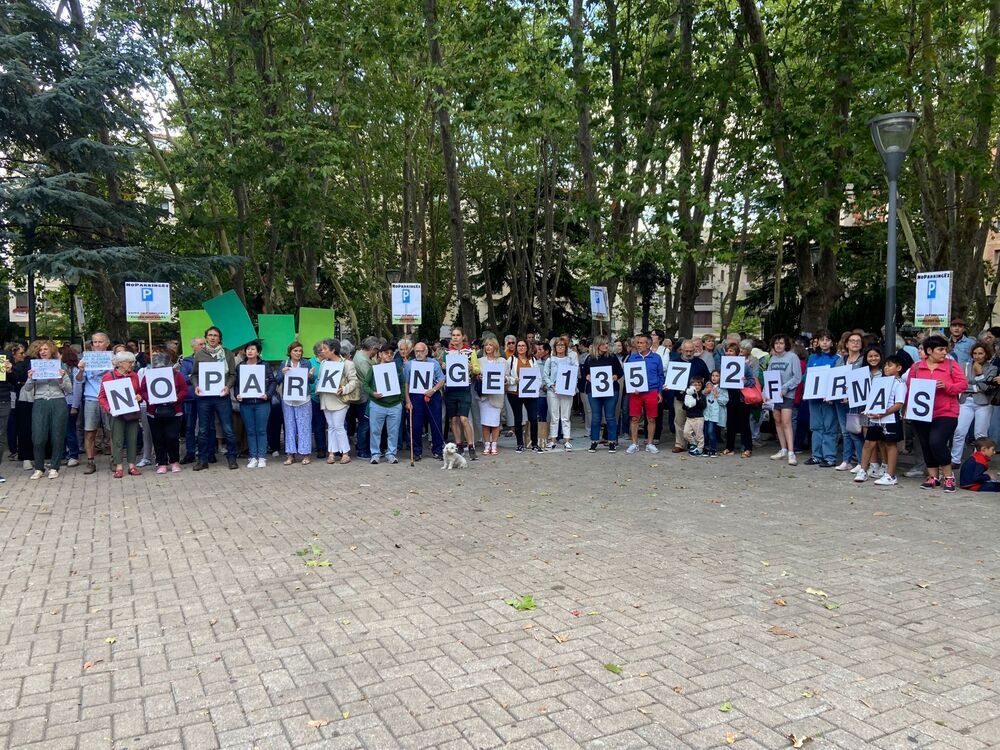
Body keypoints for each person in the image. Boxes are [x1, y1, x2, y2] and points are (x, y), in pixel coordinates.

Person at [908, 335, 967, 492]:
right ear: (929, 350)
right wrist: (908, 409)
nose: (944, 352)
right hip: (921, 413)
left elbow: (962, 384)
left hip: (946, 411)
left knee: (937, 442)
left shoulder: (951, 365)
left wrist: (947, 386)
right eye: (940, 349)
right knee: (926, 444)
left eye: (945, 349)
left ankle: (948, 476)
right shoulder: (916, 367)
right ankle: (933, 477)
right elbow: (910, 389)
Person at [190, 326, 239, 471]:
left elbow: (232, 374)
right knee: (204, 430)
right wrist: (196, 386)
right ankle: (203, 460)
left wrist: (228, 387)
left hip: (221, 397)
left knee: (228, 429)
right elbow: (194, 375)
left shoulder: (227, 353)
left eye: (215, 335)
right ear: (206, 338)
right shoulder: (199, 355)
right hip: (204, 398)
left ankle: (232, 459)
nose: (212, 338)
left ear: (219, 338)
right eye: (210, 335)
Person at [23, 340, 72, 479]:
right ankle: (39, 467)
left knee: (57, 435)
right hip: (40, 401)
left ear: (51, 351)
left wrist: (61, 378)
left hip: (58, 401)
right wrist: (30, 378)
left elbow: (69, 389)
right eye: (40, 350)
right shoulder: (35, 367)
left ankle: (54, 467)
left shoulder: (60, 367)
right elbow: (27, 389)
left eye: (46, 349)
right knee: (38, 437)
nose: (43, 351)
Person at [855, 354, 905, 486]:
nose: (886, 368)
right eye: (885, 365)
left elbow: (899, 404)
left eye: (890, 365)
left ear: (899, 368)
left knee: (890, 445)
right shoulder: (881, 381)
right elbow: (874, 398)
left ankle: (890, 475)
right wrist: (869, 410)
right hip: (876, 419)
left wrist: (883, 413)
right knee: (868, 443)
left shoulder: (899, 384)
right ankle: (863, 470)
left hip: (891, 420)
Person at [140, 351, 188, 473]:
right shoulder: (148, 376)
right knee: (158, 437)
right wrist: (149, 398)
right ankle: (161, 462)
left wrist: (176, 398)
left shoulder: (177, 375)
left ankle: (174, 461)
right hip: (153, 411)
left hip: (174, 410)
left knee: (172, 436)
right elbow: (143, 390)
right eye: (158, 367)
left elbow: (184, 390)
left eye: (163, 366)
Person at [98, 350, 143, 478]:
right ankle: (118, 466)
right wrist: (109, 409)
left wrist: (140, 397)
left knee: (132, 438)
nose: (132, 365)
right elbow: (102, 397)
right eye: (130, 362)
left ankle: (132, 465)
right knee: (117, 439)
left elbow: (140, 392)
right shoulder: (108, 376)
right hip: (116, 414)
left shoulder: (134, 375)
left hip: (131, 412)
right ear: (121, 363)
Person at [950, 342, 997, 466]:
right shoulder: (964, 366)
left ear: (986, 354)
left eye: (980, 353)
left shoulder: (992, 368)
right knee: (959, 430)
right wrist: (976, 386)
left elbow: (986, 388)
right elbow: (962, 385)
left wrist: (979, 373)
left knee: (980, 433)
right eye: (975, 353)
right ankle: (955, 459)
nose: (977, 356)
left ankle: (978, 460)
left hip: (984, 403)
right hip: (965, 401)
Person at [234, 339, 275, 468]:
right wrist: (237, 395)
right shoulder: (240, 366)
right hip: (246, 403)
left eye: (252, 349)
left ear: (258, 352)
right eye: (248, 349)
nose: (249, 351)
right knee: (250, 431)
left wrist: (267, 394)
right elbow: (236, 384)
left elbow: (273, 382)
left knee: (261, 430)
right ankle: (252, 456)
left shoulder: (265, 365)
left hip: (262, 403)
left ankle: (262, 457)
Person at [364, 343, 407, 464]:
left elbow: (403, 383)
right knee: (375, 431)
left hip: (394, 405)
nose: (389, 355)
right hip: (377, 404)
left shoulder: (397, 368)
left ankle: (391, 454)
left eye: (391, 353)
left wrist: (401, 399)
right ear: (380, 354)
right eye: (386, 353)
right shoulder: (374, 368)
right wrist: (373, 393)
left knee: (393, 432)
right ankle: (375, 454)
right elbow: (365, 384)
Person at [442, 326, 480, 459]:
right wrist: (443, 366)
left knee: (464, 419)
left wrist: (472, 368)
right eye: (453, 335)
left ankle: (470, 446)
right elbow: (443, 369)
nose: (455, 337)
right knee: (453, 419)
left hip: (464, 388)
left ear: (463, 337)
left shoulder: (470, 352)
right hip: (451, 389)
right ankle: (458, 444)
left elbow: (477, 369)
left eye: (458, 335)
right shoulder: (447, 352)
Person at [318, 339, 358, 465]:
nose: (322, 351)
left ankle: (345, 453)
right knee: (331, 427)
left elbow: (354, 381)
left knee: (339, 426)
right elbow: (321, 379)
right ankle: (331, 453)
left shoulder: (347, 364)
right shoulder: (323, 363)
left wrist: (344, 389)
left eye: (325, 348)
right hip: (326, 398)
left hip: (340, 400)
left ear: (333, 350)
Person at [805, 330, 841, 467]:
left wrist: (832, 394)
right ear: (818, 342)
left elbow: (838, 378)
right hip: (814, 397)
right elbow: (807, 376)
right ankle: (816, 455)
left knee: (829, 427)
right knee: (815, 426)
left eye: (827, 340)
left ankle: (830, 456)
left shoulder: (837, 359)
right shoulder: (813, 358)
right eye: (822, 340)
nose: (824, 342)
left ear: (832, 342)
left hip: (828, 398)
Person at [581, 335, 623, 453]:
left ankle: (612, 441)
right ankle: (594, 441)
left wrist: (615, 376)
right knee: (596, 417)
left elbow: (620, 372)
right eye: (603, 344)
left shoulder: (612, 357)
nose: (606, 346)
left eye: (607, 344)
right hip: (594, 391)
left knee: (610, 416)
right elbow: (584, 372)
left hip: (611, 390)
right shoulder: (590, 358)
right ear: (597, 344)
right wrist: (587, 377)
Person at [667, 339, 710, 453]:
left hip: (696, 398)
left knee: (695, 422)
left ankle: (694, 444)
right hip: (680, 397)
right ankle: (680, 444)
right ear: (681, 350)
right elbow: (670, 380)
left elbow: (708, 378)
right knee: (679, 420)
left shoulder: (700, 363)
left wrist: (706, 388)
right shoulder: (674, 362)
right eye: (686, 350)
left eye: (691, 350)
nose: (689, 353)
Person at [766, 334, 803, 466]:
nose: (778, 345)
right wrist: (766, 392)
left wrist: (785, 388)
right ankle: (783, 449)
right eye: (776, 343)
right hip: (775, 396)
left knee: (787, 422)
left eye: (781, 343)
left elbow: (797, 377)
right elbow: (768, 377)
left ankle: (791, 452)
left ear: (786, 344)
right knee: (777, 421)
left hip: (787, 395)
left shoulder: (792, 357)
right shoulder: (772, 359)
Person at [626, 333, 665, 454]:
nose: (638, 345)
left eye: (641, 343)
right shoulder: (632, 357)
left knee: (651, 419)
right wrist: (632, 387)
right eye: (637, 343)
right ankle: (634, 443)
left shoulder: (656, 358)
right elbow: (629, 376)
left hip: (651, 391)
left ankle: (650, 443)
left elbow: (660, 376)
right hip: (636, 393)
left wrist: (659, 392)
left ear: (648, 344)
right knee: (634, 418)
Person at [406, 341, 445, 460]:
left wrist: (433, 390)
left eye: (421, 351)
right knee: (416, 425)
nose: (418, 353)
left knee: (436, 423)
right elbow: (406, 384)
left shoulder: (434, 363)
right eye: (416, 351)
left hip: (432, 395)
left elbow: (442, 380)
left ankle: (438, 450)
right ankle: (417, 452)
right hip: (415, 397)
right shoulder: (409, 364)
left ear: (426, 352)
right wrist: (408, 401)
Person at [834, 332, 866, 471]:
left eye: (858, 341)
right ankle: (846, 460)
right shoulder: (841, 360)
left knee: (855, 431)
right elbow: (834, 378)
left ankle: (860, 461)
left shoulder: (863, 360)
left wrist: (851, 394)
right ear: (846, 344)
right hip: (840, 400)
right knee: (845, 431)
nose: (855, 343)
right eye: (852, 341)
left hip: (856, 401)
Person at [278, 341, 313, 465]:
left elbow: (311, 380)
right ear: (290, 352)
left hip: (303, 399)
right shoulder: (284, 363)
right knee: (289, 426)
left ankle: (305, 454)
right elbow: (277, 379)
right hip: (288, 400)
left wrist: (310, 376)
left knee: (304, 426)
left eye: (300, 351)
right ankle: (290, 454)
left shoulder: (306, 363)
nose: (298, 353)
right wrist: (282, 373)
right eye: (295, 351)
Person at [179, 337, 211, 464]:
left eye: (204, 344)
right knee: (189, 427)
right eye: (200, 344)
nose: (203, 346)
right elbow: (183, 379)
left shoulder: (210, 359)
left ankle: (208, 452)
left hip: (206, 397)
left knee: (207, 426)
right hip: (190, 398)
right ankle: (190, 453)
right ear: (193, 347)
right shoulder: (186, 361)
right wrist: (199, 376)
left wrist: (192, 376)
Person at [543, 336, 578, 450]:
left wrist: (572, 387)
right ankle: (553, 440)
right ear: (555, 347)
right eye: (558, 345)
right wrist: (551, 385)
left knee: (565, 416)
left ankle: (567, 440)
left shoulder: (570, 361)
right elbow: (545, 375)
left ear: (566, 347)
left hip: (566, 391)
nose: (560, 347)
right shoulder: (550, 360)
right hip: (553, 391)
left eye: (562, 345)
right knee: (554, 417)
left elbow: (574, 376)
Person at [476, 336, 508, 455]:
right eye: (486, 345)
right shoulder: (480, 361)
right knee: (485, 422)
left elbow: (508, 377)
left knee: (495, 422)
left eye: (490, 345)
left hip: (496, 396)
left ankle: (494, 444)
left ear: (495, 347)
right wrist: (478, 377)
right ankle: (486, 444)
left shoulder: (502, 361)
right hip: (484, 397)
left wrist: (504, 379)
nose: (488, 347)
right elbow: (475, 375)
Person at [722, 341, 754, 458]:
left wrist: (746, 382)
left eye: (731, 351)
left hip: (741, 398)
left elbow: (752, 380)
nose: (728, 353)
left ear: (736, 353)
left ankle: (747, 448)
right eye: (727, 351)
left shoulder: (744, 364)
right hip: (730, 398)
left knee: (744, 423)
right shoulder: (723, 364)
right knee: (730, 423)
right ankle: (729, 447)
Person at [506, 339, 539, 453]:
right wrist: (514, 380)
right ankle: (520, 444)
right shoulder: (511, 360)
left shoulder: (533, 360)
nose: (521, 347)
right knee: (518, 418)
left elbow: (538, 376)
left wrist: (536, 386)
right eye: (519, 345)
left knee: (533, 418)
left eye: (523, 345)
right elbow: (506, 377)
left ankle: (534, 444)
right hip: (515, 392)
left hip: (530, 393)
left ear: (527, 347)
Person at [352, 337, 378, 459]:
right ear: (373, 348)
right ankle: (362, 449)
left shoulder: (359, 356)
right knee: (365, 423)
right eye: (376, 350)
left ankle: (361, 446)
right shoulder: (363, 361)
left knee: (363, 422)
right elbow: (370, 378)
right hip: (364, 396)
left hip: (361, 395)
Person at [702, 370, 728, 457]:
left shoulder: (723, 388)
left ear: (721, 377)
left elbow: (725, 401)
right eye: (713, 375)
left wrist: (718, 396)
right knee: (705, 432)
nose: (714, 377)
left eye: (717, 376)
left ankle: (713, 449)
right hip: (706, 413)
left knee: (711, 431)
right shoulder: (708, 386)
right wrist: (704, 392)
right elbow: (701, 396)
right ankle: (706, 448)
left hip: (715, 414)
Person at [682, 375, 707, 455]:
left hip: (698, 418)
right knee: (686, 433)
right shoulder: (688, 395)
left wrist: (697, 398)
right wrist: (686, 401)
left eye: (699, 385)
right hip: (689, 418)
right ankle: (693, 443)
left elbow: (703, 406)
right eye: (695, 385)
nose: (697, 387)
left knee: (699, 435)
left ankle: (700, 448)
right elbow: (684, 407)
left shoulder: (702, 396)